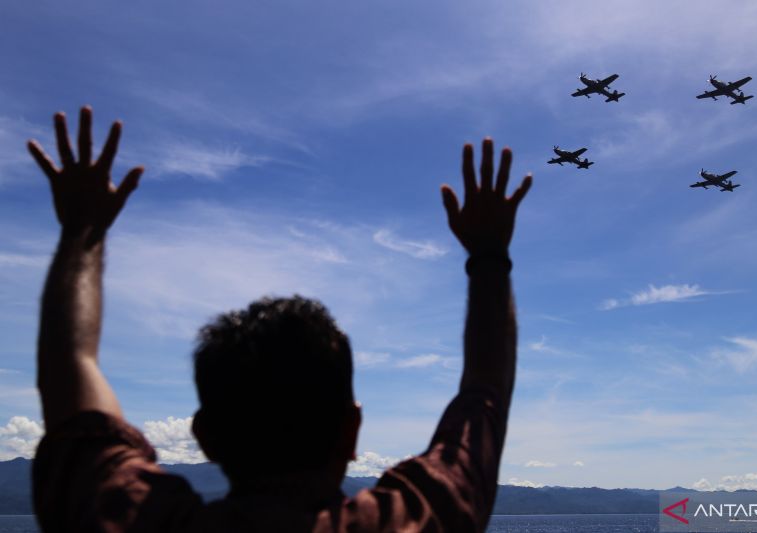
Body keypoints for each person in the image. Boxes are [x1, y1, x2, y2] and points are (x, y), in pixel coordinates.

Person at [29, 106, 533, 532]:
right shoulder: (416, 517)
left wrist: (83, 231)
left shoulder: (128, 516)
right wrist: (489, 254)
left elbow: (71, 368)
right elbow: (486, 387)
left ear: (203, 436)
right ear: (352, 429)